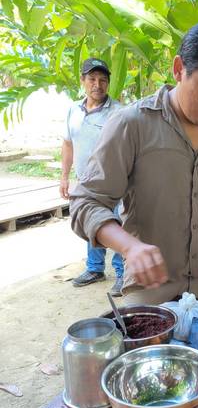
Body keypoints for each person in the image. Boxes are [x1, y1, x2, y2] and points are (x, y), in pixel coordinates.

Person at [69, 20, 198, 304]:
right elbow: (86, 202)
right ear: (179, 68)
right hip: (150, 298)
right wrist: (130, 247)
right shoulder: (132, 125)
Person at [60, 58, 124, 296]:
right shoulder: (73, 111)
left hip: (115, 182)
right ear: (83, 81)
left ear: (108, 84)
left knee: (117, 225)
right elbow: (68, 144)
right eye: (92, 79)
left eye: (103, 80)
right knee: (91, 225)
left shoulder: (118, 112)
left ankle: (122, 273)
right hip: (86, 182)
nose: (98, 84)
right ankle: (95, 268)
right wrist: (64, 176)